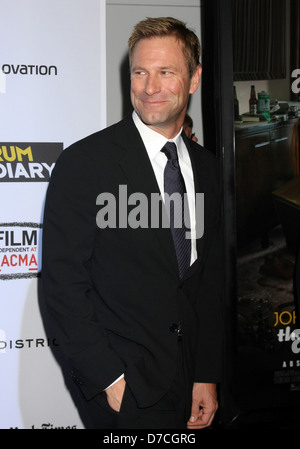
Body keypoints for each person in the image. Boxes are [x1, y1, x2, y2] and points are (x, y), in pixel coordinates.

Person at [42, 16, 223, 430]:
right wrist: (108, 378)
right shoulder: (86, 164)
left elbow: (207, 281)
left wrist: (206, 373)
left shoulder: (208, 169)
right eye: (140, 72)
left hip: (191, 377)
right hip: (124, 388)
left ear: (194, 79)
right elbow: (62, 284)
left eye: (165, 72)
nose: (150, 87)